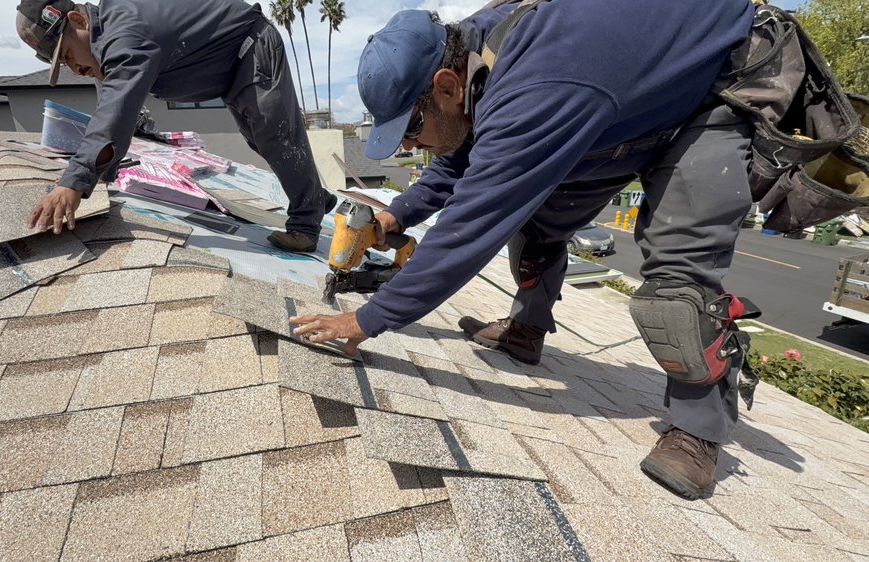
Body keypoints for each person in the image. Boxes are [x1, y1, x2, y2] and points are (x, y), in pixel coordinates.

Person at [292, 0, 762, 499]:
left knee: (678, 285)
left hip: (714, 88)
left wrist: (366, 320)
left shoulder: (539, 85)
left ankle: (697, 431)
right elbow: (463, 156)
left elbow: (472, 224)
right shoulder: (473, 51)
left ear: (445, 87)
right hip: (621, 107)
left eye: (410, 130)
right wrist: (395, 215)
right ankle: (526, 331)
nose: (410, 148)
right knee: (536, 223)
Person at [15, 0, 336, 252]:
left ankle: (306, 226)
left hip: (250, 48)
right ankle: (311, 196)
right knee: (260, 139)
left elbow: (115, 112)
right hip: (229, 66)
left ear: (78, 20)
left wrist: (73, 182)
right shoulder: (110, 33)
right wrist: (105, 162)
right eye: (64, 64)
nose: (74, 68)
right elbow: (112, 101)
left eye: (68, 54)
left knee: (276, 137)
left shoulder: (124, 32)